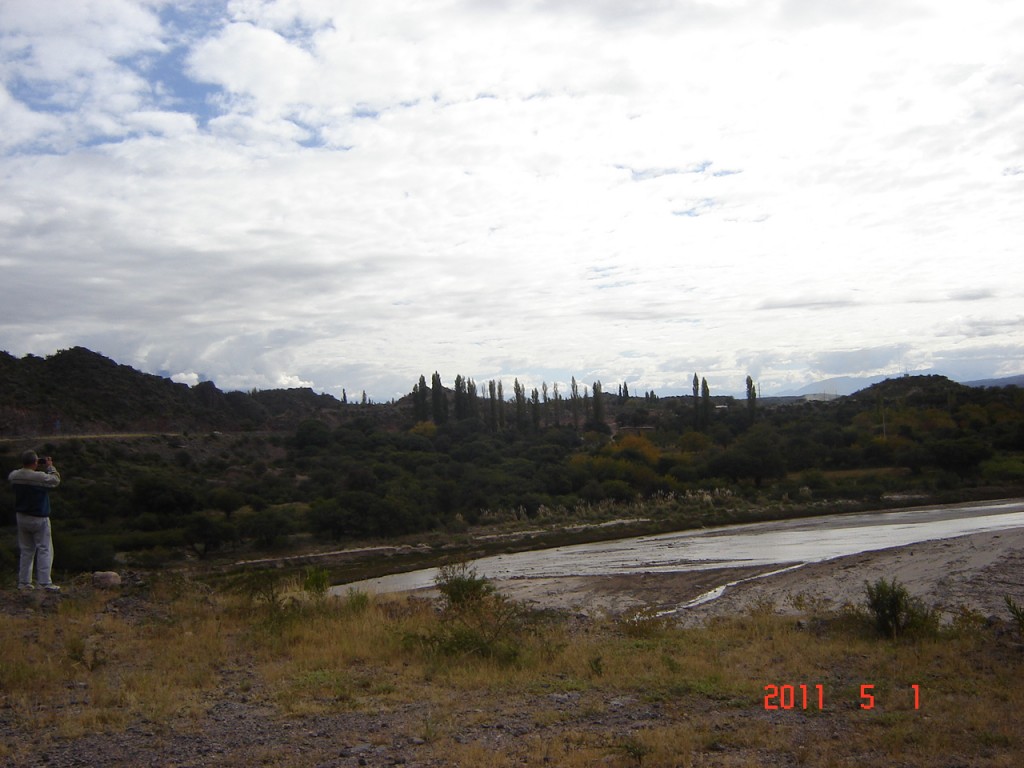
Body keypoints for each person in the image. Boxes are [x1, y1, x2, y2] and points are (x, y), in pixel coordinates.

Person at [8, 450, 61, 592]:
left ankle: (24, 582)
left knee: (26, 550)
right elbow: (55, 480)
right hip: (39, 517)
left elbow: (12, 477)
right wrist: (50, 467)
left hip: (21, 516)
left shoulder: (15, 476)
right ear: (35, 462)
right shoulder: (39, 477)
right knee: (44, 548)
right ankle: (45, 582)